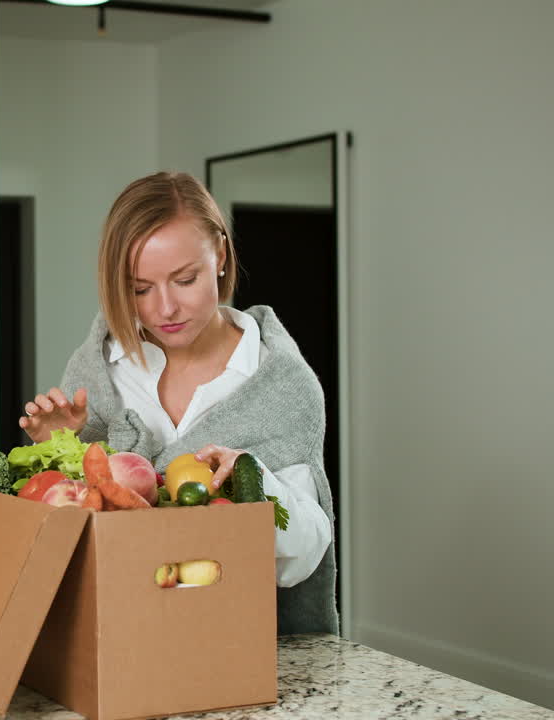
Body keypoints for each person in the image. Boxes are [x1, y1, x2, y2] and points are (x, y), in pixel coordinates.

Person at [18, 171, 336, 635]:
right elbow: (71, 537)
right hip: (115, 637)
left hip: (233, 643)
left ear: (221, 256)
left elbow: (305, 556)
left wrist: (251, 478)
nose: (164, 309)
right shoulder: (99, 368)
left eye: (185, 280)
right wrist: (59, 448)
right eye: (139, 288)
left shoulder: (282, 385)